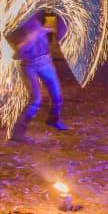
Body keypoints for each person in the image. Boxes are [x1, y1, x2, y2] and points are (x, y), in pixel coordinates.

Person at [6, 12, 68, 143]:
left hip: (46, 62)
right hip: (29, 65)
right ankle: (17, 133)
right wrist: (36, 34)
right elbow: (20, 51)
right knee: (36, 100)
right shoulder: (12, 26)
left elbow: (56, 28)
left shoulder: (36, 16)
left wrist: (57, 27)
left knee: (57, 96)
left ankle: (53, 120)